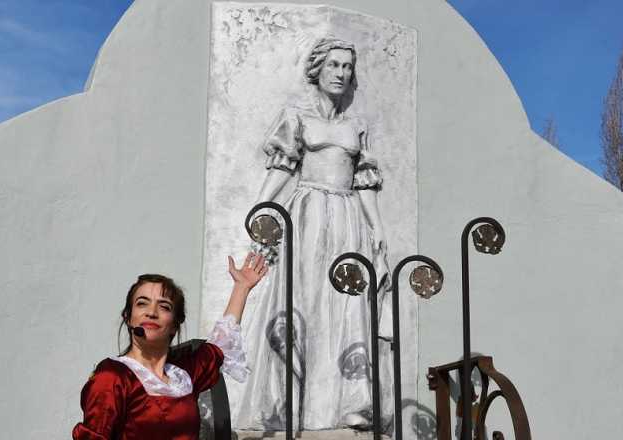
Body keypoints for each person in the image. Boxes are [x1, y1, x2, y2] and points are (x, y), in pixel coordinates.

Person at [230, 37, 392, 431]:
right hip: (307, 216)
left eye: (347, 67)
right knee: (299, 301)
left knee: (349, 308)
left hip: (347, 218)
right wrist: (261, 209)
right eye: (334, 65)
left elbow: (363, 182)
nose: (341, 73)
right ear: (317, 69)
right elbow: (282, 167)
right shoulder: (298, 117)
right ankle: (286, 402)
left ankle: (354, 402)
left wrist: (377, 229)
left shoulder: (357, 126)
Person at [72, 252, 269, 439]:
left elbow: (220, 346)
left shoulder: (182, 375)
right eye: (142, 303)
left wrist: (241, 288)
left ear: (175, 324)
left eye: (164, 306)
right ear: (128, 318)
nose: (151, 312)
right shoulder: (113, 377)